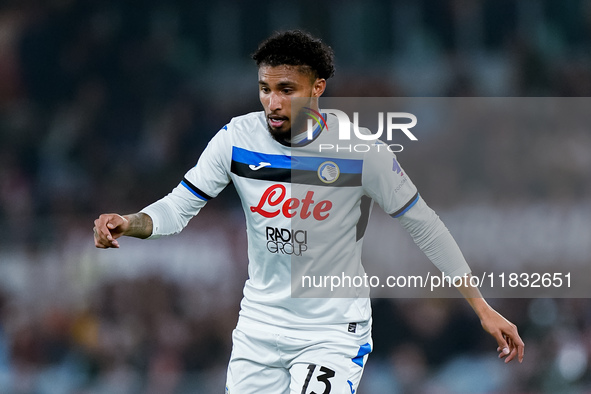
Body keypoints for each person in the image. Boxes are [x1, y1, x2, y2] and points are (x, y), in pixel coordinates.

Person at [94, 30, 524, 393]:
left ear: (317, 87)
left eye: (286, 90)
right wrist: (130, 223)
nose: (273, 103)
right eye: (265, 89)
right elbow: (178, 208)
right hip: (260, 326)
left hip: (331, 332)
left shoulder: (361, 153)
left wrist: (481, 306)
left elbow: (425, 226)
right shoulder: (236, 140)